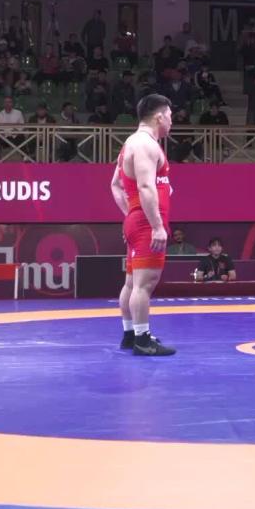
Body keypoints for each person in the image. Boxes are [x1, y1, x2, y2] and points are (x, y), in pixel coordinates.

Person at [109, 94, 177, 356]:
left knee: (131, 283)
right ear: (159, 117)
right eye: (169, 116)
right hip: (147, 224)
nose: (171, 121)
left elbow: (116, 185)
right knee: (144, 285)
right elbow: (146, 187)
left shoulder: (131, 143)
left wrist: (131, 214)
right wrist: (156, 226)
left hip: (138, 220)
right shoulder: (146, 145)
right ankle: (142, 340)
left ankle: (130, 334)